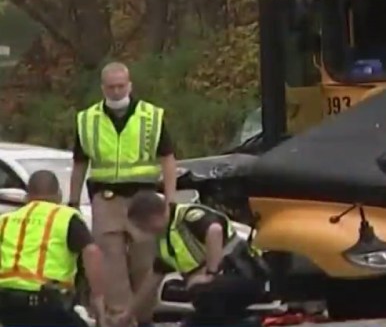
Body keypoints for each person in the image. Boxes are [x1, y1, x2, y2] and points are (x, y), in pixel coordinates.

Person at [68, 61, 178, 327]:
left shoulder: (151, 116)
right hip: (106, 198)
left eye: (121, 86)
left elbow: (168, 158)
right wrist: (72, 202)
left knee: (144, 259)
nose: (117, 92)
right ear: (103, 88)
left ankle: (143, 316)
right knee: (110, 259)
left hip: (143, 198)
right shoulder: (88, 120)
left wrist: (171, 199)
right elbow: (80, 163)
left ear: (130, 85)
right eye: (111, 87)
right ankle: (119, 319)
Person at [121, 192, 268, 327]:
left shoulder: (187, 216)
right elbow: (152, 279)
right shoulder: (166, 238)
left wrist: (210, 274)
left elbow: (214, 230)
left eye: (142, 226)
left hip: (246, 275)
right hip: (223, 285)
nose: (143, 231)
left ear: (153, 218)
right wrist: (128, 313)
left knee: (201, 291)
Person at [0, 171, 107, 326]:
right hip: (47, 303)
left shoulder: (5, 220)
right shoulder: (67, 217)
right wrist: (98, 303)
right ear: (59, 195)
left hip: (6, 304)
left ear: (27, 196)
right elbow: (92, 253)